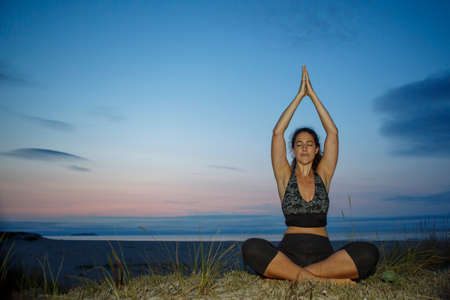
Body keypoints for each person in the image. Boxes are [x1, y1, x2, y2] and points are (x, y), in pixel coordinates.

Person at [241, 66, 379, 285]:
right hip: (288, 254)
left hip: (324, 256)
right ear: (293, 150)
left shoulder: (323, 175)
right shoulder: (284, 176)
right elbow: (277, 132)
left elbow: (332, 132)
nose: (304, 148)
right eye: (299, 144)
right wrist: (299, 96)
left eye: (309, 144)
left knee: (369, 253)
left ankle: (290, 276)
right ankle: (324, 281)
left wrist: (312, 95)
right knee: (251, 247)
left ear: (316, 150)